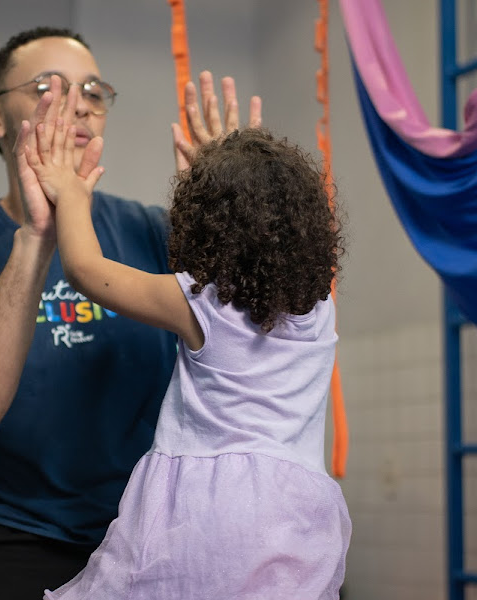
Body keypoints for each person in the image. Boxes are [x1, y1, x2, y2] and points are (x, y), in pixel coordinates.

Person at [0, 25, 261, 599]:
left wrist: (228, 206)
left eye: (93, 91)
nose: (78, 105)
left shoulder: (153, 232)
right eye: (48, 86)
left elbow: (260, 341)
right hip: (14, 539)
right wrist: (36, 239)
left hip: (155, 532)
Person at [18, 101, 351, 598]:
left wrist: (70, 193)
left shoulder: (199, 303)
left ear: (203, 226)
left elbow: (85, 269)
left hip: (206, 509)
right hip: (294, 510)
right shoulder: (321, 307)